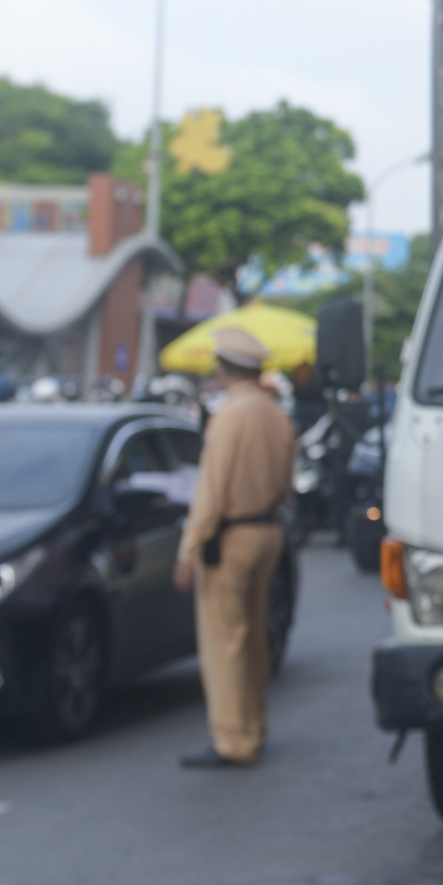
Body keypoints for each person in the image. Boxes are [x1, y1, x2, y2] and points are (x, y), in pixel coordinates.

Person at [174, 327, 297, 769]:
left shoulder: (229, 416)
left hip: (232, 537)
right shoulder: (275, 413)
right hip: (268, 532)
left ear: (223, 369)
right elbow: (287, 482)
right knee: (253, 639)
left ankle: (232, 738)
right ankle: (253, 727)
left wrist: (189, 549)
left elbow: (210, 493)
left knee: (225, 644)